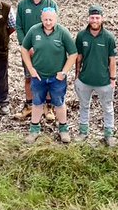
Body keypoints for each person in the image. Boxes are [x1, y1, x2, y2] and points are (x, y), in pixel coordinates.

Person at [22, 8, 78, 144]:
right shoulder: (34, 31)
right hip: (38, 76)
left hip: (56, 78)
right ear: (41, 19)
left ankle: (63, 129)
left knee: (59, 103)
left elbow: (73, 53)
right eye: (45, 19)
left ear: (56, 19)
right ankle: (34, 130)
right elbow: (24, 49)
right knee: (37, 103)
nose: (48, 22)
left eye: (51, 20)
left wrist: (64, 72)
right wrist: (31, 69)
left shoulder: (62, 32)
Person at [15, 0, 59, 120]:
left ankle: (48, 106)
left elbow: (55, 27)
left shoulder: (51, 4)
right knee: (29, 77)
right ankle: (29, 105)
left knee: (47, 78)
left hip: (46, 50)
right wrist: (26, 46)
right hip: (28, 50)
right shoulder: (22, 5)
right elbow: (19, 27)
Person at [75, 5, 118, 146]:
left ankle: (108, 134)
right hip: (85, 80)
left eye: (97, 17)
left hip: (104, 81)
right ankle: (83, 132)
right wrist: (77, 76)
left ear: (102, 19)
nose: (94, 20)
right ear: (88, 18)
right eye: (92, 17)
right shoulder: (81, 36)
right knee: (84, 106)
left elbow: (112, 60)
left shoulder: (109, 37)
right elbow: (79, 57)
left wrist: (113, 79)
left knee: (108, 108)